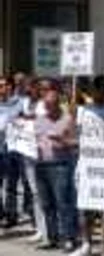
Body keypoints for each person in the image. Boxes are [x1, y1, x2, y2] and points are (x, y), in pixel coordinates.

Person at [70, 76, 104, 256]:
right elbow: (74, 127)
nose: (98, 95)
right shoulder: (83, 111)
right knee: (85, 206)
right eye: (95, 91)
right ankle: (86, 243)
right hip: (85, 166)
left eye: (102, 91)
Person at [34, 81, 78, 251]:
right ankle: (52, 237)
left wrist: (64, 141)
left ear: (58, 103)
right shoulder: (39, 120)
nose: (48, 108)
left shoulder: (67, 119)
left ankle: (69, 237)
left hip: (60, 165)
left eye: (51, 105)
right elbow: (34, 140)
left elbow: (77, 142)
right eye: (46, 105)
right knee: (46, 204)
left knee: (63, 203)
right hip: (41, 164)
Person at [17, 77, 48, 244]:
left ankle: (49, 229)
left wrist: (29, 119)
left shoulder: (44, 105)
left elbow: (44, 122)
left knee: (44, 192)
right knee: (34, 192)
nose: (30, 90)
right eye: (28, 87)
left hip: (42, 153)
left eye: (33, 87)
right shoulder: (24, 103)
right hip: (27, 152)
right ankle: (39, 228)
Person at [0, 75, 24, 229]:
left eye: (3, 85)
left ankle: (11, 214)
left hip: (13, 149)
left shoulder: (20, 103)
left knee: (11, 184)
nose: (1, 88)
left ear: (10, 86)